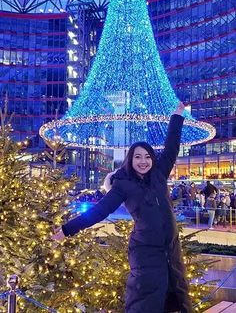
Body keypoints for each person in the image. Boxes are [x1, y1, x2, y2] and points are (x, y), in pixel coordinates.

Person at [51, 102, 193, 313]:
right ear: (130, 160)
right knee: (146, 299)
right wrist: (66, 229)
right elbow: (98, 212)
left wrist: (177, 115)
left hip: (170, 248)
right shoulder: (123, 185)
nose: (143, 161)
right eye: (137, 157)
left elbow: (172, 145)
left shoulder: (159, 174)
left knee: (175, 298)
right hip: (145, 252)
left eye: (147, 157)